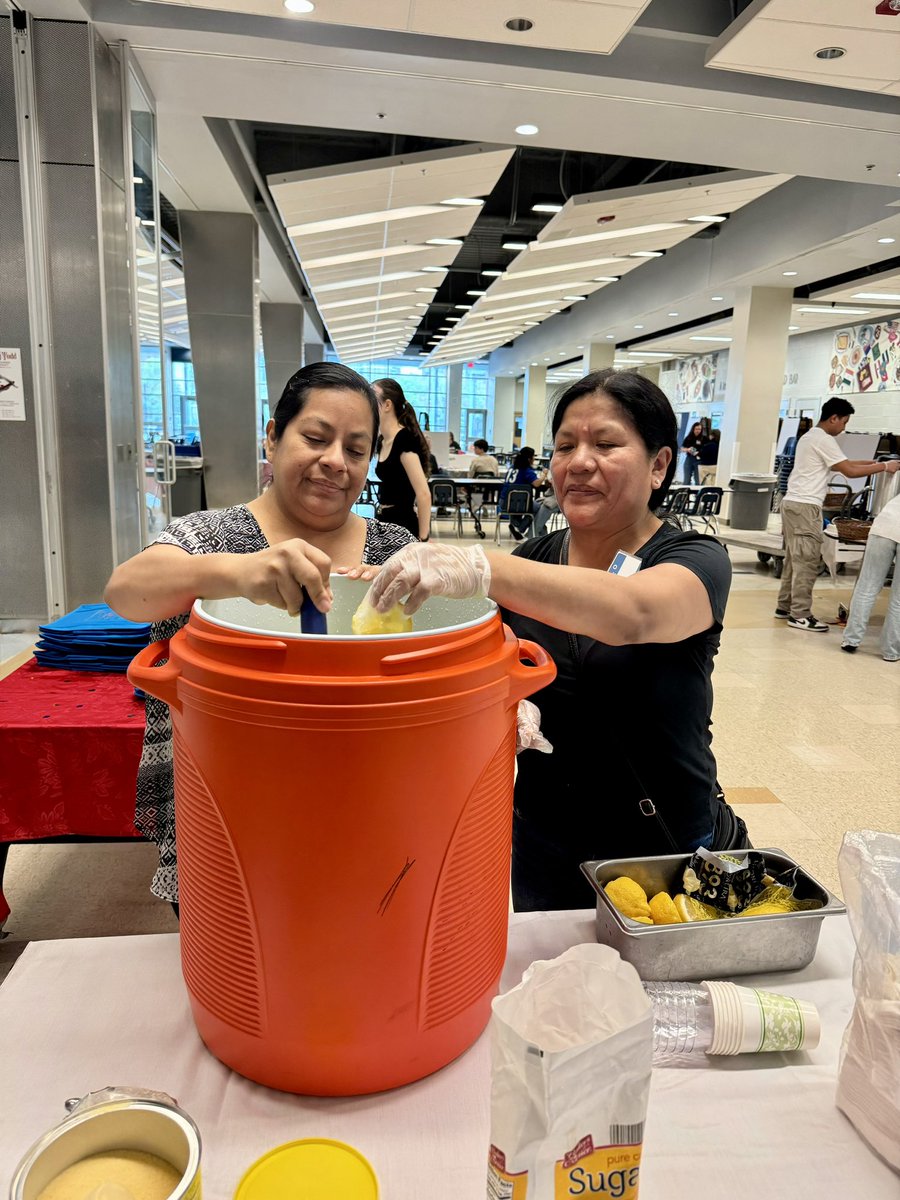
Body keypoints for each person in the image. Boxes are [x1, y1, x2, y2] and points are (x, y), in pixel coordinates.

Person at [366, 369, 738, 911]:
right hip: (545, 842)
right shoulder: (534, 560)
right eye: (565, 446)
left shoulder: (694, 559)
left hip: (663, 846)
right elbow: (481, 662)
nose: (579, 462)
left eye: (606, 444)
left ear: (659, 465)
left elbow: (632, 612)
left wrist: (477, 564)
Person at [104, 362, 416, 909]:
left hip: (366, 808)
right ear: (272, 438)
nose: (333, 462)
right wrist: (237, 572)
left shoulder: (391, 547)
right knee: (241, 961)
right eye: (315, 438)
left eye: (355, 449)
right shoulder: (211, 534)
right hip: (229, 805)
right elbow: (126, 592)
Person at [777, 397, 899, 632]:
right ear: (833, 418)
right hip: (805, 507)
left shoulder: (810, 437)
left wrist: (874, 462)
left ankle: (785, 606)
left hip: (793, 504)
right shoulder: (823, 439)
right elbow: (850, 471)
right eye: (843, 422)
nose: (844, 427)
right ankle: (800, 614)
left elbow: (840, 464)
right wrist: (885, 467)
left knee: (795, 558)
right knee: (808, 561)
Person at [840, 493, 900, 662]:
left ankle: (850, 640)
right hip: (888, 526)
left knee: (867, 586)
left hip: (884, 525)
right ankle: (891, 651)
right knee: (899, 598)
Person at [372, 378, 432, 541]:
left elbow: (423, 494)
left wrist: (423, 538)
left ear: (387, 405)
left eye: (373, 397)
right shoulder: (382, 441)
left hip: (403, 523)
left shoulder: (404, 439)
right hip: (384, 520)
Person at [499, 446, 548, 540]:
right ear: (529, 459)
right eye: (533, 457)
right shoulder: (527, 470)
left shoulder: (512, 468)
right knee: (538, 507)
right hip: (519, 503)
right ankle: (520, 528)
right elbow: (537, 484)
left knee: (518, 509)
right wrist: (544, 475)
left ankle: (515, 525)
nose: (534, 459)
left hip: (504, 502)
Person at [681, 421, 704, 485]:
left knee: (698, 480)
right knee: (686, 480)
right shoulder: (688, 438)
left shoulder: (704, 438)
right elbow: (682, 448)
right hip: (689, 458)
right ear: (693, 429)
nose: (698, 431)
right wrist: (688, 449)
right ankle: (685, 494)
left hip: (699, 460)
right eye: (696, 429)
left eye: (699, 429)